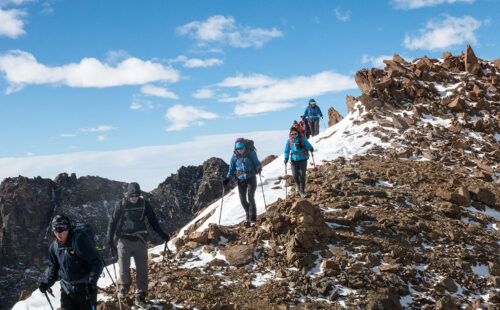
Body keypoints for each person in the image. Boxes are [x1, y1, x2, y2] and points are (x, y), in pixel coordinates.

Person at [107, 182, 170, 308]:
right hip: (124, 240)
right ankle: (124, 288)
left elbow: (153, 221)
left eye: (136, 196)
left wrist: (163, 235)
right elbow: (112, 222)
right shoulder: (121, 204)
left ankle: (140, 296)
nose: (134, 198)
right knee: (124, 268)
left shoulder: (144, 204)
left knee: (142, 269)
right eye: (132, 196)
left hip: (140, 239)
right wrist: (109, 240)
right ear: (127, 195)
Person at [38, 214, 103, 310]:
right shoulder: (54, 247)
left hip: (84, 289)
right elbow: (54, 268)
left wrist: (91, 283)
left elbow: (97, 262)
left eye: (61, 230)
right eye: (56, 231)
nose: (59, 234)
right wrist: (47, 283)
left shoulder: (80, 241)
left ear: (67, 228)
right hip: (66, 290)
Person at [223, 138, 262, 226]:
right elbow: (231, 169)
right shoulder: (234, 156)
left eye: (241, 148)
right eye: (238, 148)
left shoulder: (250, 153)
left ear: (245, 146)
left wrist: (259, 168)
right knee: (242, 199)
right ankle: (248, 214)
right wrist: (227, 179)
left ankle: (253, 219)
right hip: (240, 180)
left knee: (250, 197)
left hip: (251, 177)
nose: (239, 150)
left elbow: (257, 163)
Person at [284, 126, 314, 198]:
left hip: (303, 159)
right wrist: (286, 157)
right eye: (292, 134)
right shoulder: (289, 141)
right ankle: (297, 185)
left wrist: (311, 149)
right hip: (294, 160)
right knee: (295, 175)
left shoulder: (302, 139)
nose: (294, 135)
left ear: (298, 133)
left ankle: (302, 191)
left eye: (295, 134)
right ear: (290, 134)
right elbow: (286, 150)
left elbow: (308, 145)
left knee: (302, 175)